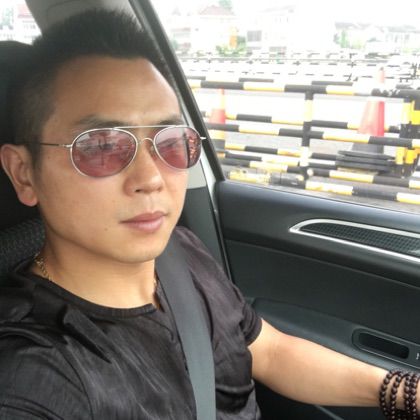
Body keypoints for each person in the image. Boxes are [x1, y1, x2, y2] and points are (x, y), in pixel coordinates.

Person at [0, 9, 417, 420]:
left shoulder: (180, 252)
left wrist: (407, 393)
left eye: (169, 140)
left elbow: (270, 351)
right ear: (24, 173)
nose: (151, 178)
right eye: (101, 146)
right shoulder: (33, 371)